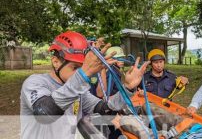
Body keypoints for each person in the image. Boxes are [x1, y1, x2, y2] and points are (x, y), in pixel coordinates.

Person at [20, 31, 149, 139]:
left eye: (82, 68)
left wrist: (126, 88)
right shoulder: (35, 82)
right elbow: (44, 113)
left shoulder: (79, 92)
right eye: (75, 67)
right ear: (56, 61)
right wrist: (84, 73)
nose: (80, 73)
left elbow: (106, 108)